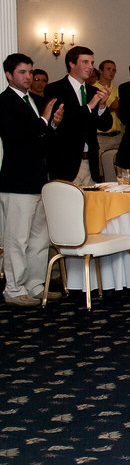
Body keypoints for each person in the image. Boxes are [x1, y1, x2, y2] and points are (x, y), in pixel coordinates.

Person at [0, 54, 64, 307]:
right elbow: (17, 138)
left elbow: (44, 138)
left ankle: (35, 284)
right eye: (22, 73)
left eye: (30, 72)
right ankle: (14, 289)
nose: (28, 77)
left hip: (40, 178)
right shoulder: (4, 103)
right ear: (9, 75)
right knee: (17, 238)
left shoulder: (36, 101)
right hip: (17, 180)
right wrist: (45, 120)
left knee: (39, 238)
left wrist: (54, 125)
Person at [44, 45, 112, 187]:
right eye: (85, 62)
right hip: (66, 163)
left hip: (91, 163)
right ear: (72, 64)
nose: (90, 67)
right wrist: (90, 105)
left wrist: (101, 106)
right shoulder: (55, 89)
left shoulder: (94, 91)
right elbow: (64, 123)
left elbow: (105, 126)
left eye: (92, 63)